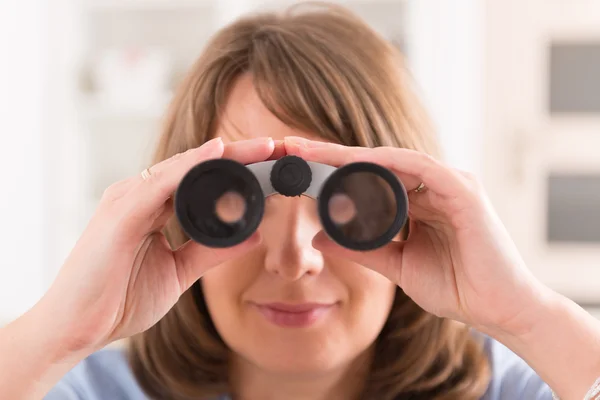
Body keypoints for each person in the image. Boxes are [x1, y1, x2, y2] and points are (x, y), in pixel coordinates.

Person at [2, 3, 600, 400]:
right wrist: (58, 334)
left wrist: (528, 316)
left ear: (411, 212)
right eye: (239, 202)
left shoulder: (507, 385)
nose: (295, 259)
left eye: (348, 204)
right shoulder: (84, 386)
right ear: (178, 213)